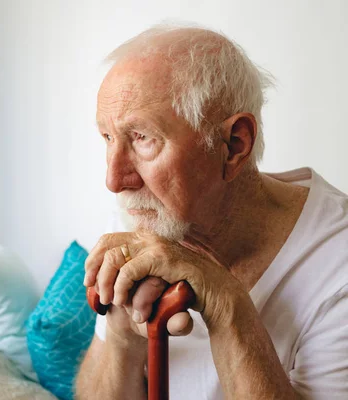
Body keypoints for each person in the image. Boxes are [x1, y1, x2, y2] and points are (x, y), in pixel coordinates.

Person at [74, 23, 348, 400]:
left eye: (142, 138)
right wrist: (121, 332)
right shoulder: (147, 214)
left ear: (234, 144)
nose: (115, 179)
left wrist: (224, 302)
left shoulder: (339, 267)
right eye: (108, 137)